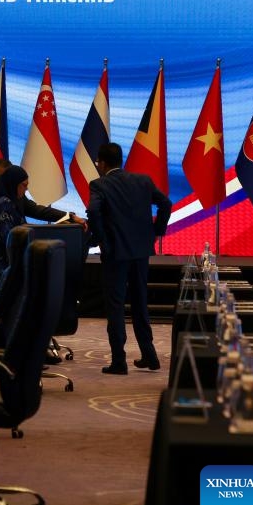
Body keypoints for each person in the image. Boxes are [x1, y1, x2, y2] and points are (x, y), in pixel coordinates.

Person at [87, 142, 172, 375]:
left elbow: (94, 211)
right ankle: (150, 355)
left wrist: (101, 238)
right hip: (140, 251)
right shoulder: (142, 181)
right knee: (139, 302)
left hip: (115, 253)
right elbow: (165, 203)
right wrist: (156, 232)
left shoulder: (99, 185)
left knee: (115, 306)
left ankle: (119, 361)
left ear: (102, 163)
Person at [0, 158, 82, 268]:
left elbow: (37, 210)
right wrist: (35, 231)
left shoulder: (15, 195)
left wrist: (68, 216)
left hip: (13, 257)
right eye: (3, 176)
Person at [0, 164, 29, 271]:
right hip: (5, 268)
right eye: (24, 185)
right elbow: (9, 237)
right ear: (13, 184)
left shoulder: (9, 201)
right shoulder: (4, 205)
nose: (26, 189)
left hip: (7, 265)